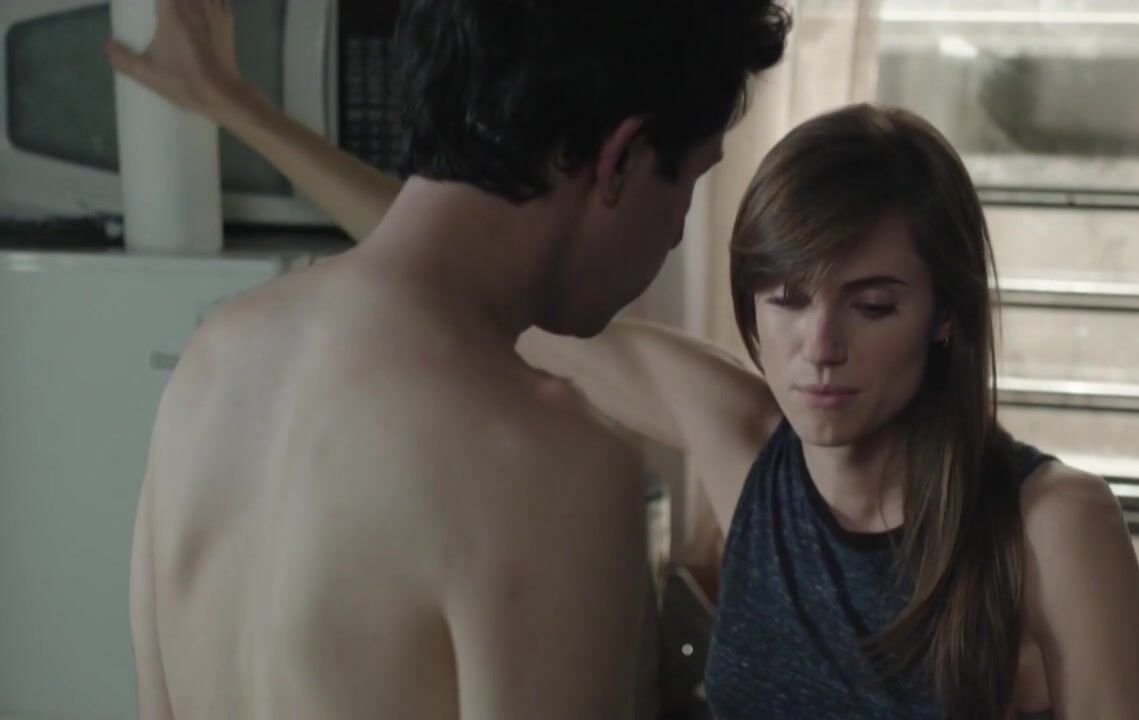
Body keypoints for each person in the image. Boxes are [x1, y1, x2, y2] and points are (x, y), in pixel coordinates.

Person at [110, 6, 1139, 720]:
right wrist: (241, 112)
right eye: (785, 298)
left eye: (873, 303)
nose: (820, 345)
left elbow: (447, 252)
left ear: (943, 315)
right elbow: (449, 260)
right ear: (621, 161)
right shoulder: (692, 448)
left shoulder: (214, 360)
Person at [107, 0, 788, 717]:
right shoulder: (547, 464)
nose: (678, 232)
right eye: (690, 183)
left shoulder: (214, 360)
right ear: (622, 159)